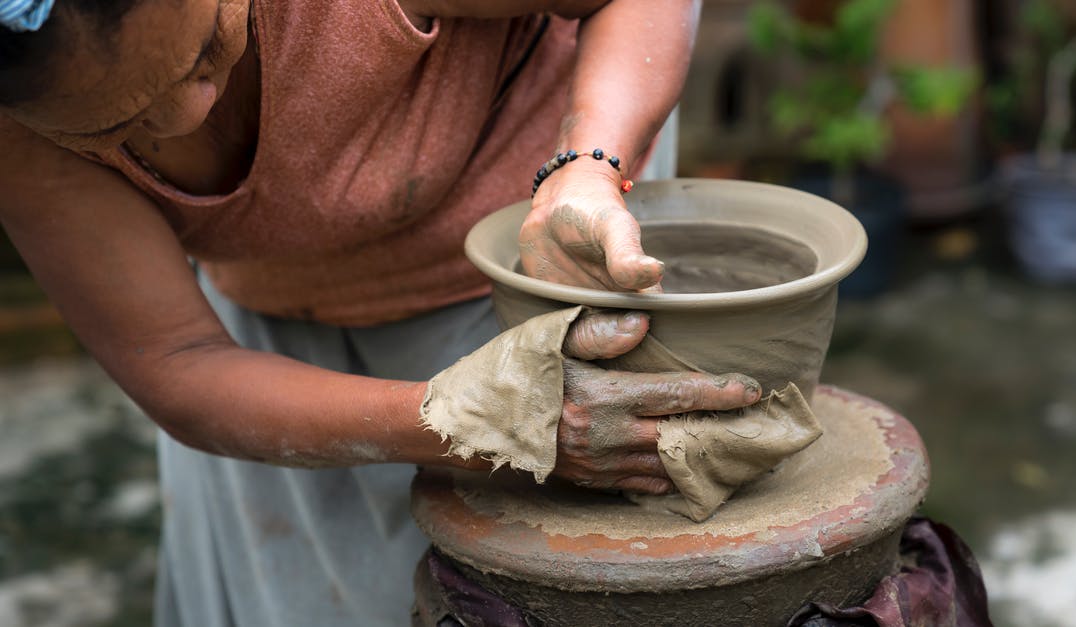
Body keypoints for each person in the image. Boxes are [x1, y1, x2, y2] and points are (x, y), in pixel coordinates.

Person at [0, 0, 765, 623]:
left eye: (204, 51)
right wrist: (474, 423)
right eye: (114, 129)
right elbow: (175, 358)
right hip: (282, 357)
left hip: (555, 248)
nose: (184, 114)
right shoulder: (17, 115)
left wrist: (591, 164)